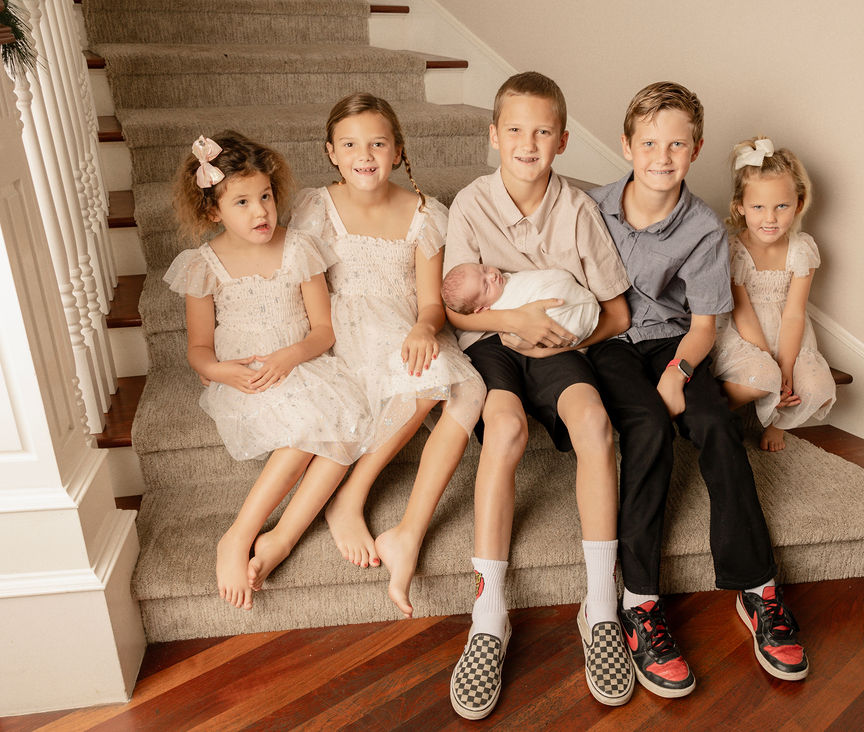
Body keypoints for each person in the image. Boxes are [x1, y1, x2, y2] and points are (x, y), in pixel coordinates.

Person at [586, 83, 810, 695]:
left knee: (714, 423)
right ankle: (639, 602)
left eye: (678, 144)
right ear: (626, 145)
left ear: (697, 149)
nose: (663, 156)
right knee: (649, 428)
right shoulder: (590, 207)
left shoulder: (706, 227)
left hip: (676, 345)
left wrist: (679, 375)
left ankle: (759, 587)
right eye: (650, 143)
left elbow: (706, 326)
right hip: (606, 343)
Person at [443, 71, 635, 719]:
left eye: (543, 131)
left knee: (595, 426)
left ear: (563, 141)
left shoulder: (577, 209)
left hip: (558, 339)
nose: (528, 143)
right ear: (495, 136)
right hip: (496, 339)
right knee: (505, 430)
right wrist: (515, 322)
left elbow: (618, 312)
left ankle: (601, 608)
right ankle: (489, 613)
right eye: (516, 130)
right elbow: (460, 313)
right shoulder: (471, 202)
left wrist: (568, 340)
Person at [290, 93, 485, 619]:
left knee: (470, 388)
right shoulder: (318, 207)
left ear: (397, 151)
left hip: (405, 326)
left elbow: (429, 299)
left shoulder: (424, 214)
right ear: (332, 152)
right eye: (350, 144)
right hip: (346, 325)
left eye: (378, 143)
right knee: (422, 387)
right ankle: (350, 498)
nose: (365, 154)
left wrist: (426, 325)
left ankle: (409, 529)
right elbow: (300, 283)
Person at [166, 131, 369, 612]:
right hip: (246, 375)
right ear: (213, 212)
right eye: (242, 202)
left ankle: (278, 537)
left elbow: (323, 331)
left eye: (265, 196)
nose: (260, 211)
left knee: (346, 429)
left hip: (299, 362)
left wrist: (291, 356)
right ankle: (237, 537)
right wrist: (219, 371)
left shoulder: (300, 249)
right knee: (311, 431)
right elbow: (197, 348)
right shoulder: (204, 265)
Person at [710, 137, 836, 452]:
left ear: (799, 204)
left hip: (788, 333)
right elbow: (742, 311)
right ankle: (720, 412)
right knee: (762, 374)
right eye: (758, 207)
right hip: (743, 333)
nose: (770, 218)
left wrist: (788, 366)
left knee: (817, 384)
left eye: (781, 206)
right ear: (740, 206)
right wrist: (772, 364)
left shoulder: (801, 250)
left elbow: (794, 313)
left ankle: (777, 423)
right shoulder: (733, 250)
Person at [441, 263, 600, 346]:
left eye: (483, 269)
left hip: (573, 295)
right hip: (570, 321)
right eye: (486, 286)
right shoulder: (504, 307)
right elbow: (523, 334)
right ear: (482, 308)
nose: (492, 276)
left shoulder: (508, 280)